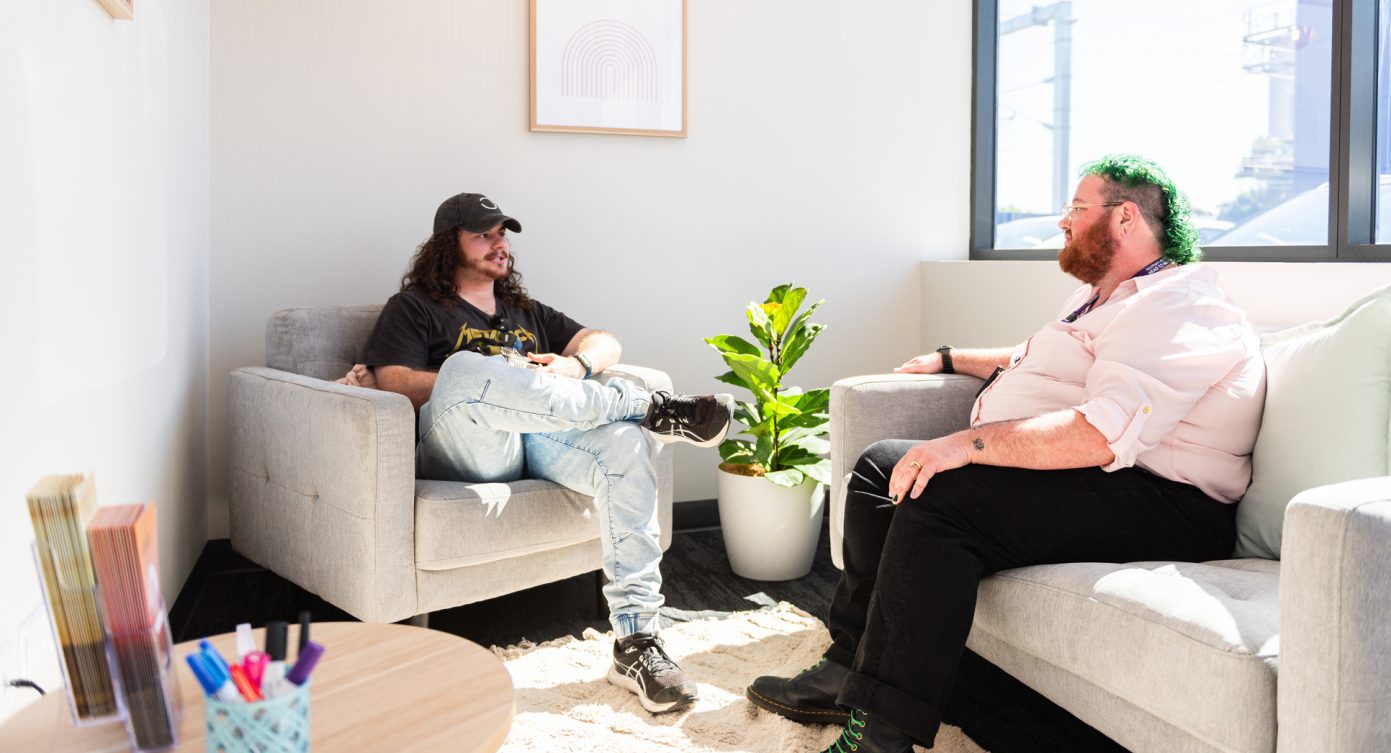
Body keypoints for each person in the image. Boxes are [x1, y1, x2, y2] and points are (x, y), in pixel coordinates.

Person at [746, 155, 1266, 753]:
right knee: (882, 465)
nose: (1063, 223)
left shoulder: (1180, 305)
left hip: (1168, 502)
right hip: (1109, 479)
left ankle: (881, 736)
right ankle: (846, 665)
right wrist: (950, 358)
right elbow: (1032, 359)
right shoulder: (1110, 298)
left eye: (1076, 208)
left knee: (941, 493)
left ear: (1124, 218)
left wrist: (966, 446)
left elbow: (1102, 434)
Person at [342, 192, 735, 714]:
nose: (499, 244)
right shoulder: (414, 307)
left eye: (502, 233)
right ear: (447, 244)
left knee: (623, 441)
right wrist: (504, 377)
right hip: (466, 446)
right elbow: (395, 380)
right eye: (484, 234)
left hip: (541, 443)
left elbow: (604, 340)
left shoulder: (525, 311)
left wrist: (580, 368)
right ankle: (646, 405)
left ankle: (636, 643)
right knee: (465, 368)